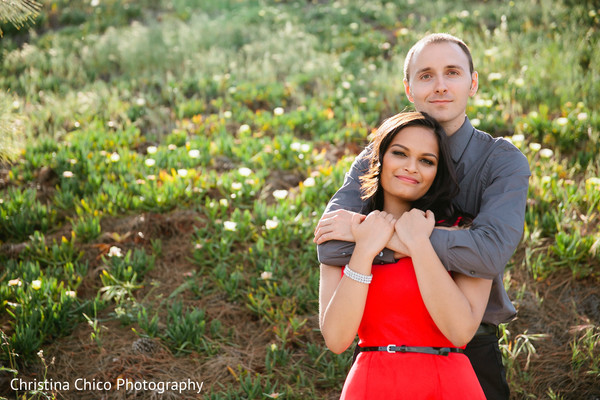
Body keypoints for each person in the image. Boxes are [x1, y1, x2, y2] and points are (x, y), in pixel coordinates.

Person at [314, 33, 530, 400]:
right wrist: (415, 242)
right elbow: (331, 244)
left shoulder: (501, 161)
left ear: (472, 82)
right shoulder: (379, 155)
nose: (440, 86)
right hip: (381, 347)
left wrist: (373, 233)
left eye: (452, 73)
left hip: (466, 346)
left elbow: (488, 254)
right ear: (409, 88)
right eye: (426, 75)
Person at [319, 111, 489, 399]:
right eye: (400, 153)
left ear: (438, 172)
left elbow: (460, 332)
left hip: (448, 385)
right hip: (372, 384)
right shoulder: (344, 237)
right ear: (380, 159)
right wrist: (364, 248)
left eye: (426, 161)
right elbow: (336, 339)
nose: (412, 167)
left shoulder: (466, 235)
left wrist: (418, 243)